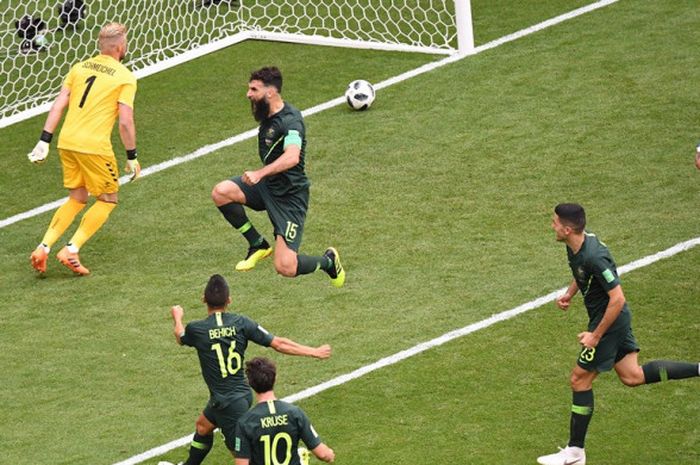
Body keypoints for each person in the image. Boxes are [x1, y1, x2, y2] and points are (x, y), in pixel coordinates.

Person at [537, 203, 699, 465]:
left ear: (567, 229)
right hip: (612, 322)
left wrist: (596, 336)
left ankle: (575, 453)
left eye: (555, 222)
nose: (552, 226)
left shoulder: (594, 256)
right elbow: (583, 275)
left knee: (579, 379)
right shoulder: (576, 245)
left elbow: (618, 299)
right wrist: (569, 293)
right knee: (632, 376)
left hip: (609, 324)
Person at [162, 274, 331, 465]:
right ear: (229, 300)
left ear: (203, 299)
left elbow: (180, 336)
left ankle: (296, 458)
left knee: (244, 456)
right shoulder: (241, 323)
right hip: (231, 397)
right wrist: (313, 351)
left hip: (229, 403)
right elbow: (278, 343)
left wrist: (177, 317)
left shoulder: (197, 329)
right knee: (203, 426)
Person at [211, 66, 345, 287]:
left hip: (289, 197)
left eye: (254, 89)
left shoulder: (291, 121)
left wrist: (259, 173)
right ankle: (258, 244)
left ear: (270, 92)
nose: (248, 94)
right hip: (268, 186)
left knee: (285, 266)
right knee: (221, 192)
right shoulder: (267, 115)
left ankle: (328, 262)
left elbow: (292, 157)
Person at [27, 22, 140, 276]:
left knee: (77, 197)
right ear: (121, 46)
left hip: (66, 142)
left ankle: (43, 248)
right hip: (94, 147)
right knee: (108, 199)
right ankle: (71, 249)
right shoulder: (124, 77)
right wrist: (132, 156)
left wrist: (44, 139)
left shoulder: (79, 68)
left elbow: (58, 105)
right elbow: (125, 121)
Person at [234, 357, 335, 465]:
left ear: (250, 383)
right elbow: (323, 454)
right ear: (275, 378)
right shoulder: (294, 413)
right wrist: (330, 454)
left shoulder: (245, 422)